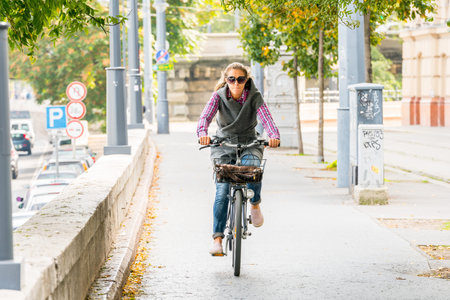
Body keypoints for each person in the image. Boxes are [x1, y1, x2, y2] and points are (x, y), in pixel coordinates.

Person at [197, 62, 280, 255]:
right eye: (231, 79)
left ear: (246, 80)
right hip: (223, 145)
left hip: (250, 142)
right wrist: (203, 133)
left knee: (253, 170)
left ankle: (255, 203)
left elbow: (266, 118)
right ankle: (217, 239)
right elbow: (205, 118)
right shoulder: (218, 96)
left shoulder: (254, 96)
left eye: (240, 79)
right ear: (226, 80)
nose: (236, 83)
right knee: (222, 190)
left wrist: (273, 136)